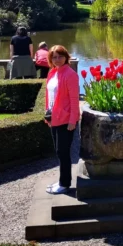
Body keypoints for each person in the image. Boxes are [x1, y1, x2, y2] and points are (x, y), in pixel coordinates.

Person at [44, 45, 80, 194]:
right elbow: (49, 96)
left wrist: (73, 120)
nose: (57, 59)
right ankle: (61, 181)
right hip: (54, 118)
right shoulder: (52, 72)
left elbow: (74, 99)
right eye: (54, 57)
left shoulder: (70, 74)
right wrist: (47, 115)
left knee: (63, 152)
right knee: (59, 152)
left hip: (65, 119)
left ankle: (64, 184)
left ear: (66, 57)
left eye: (60, 56)